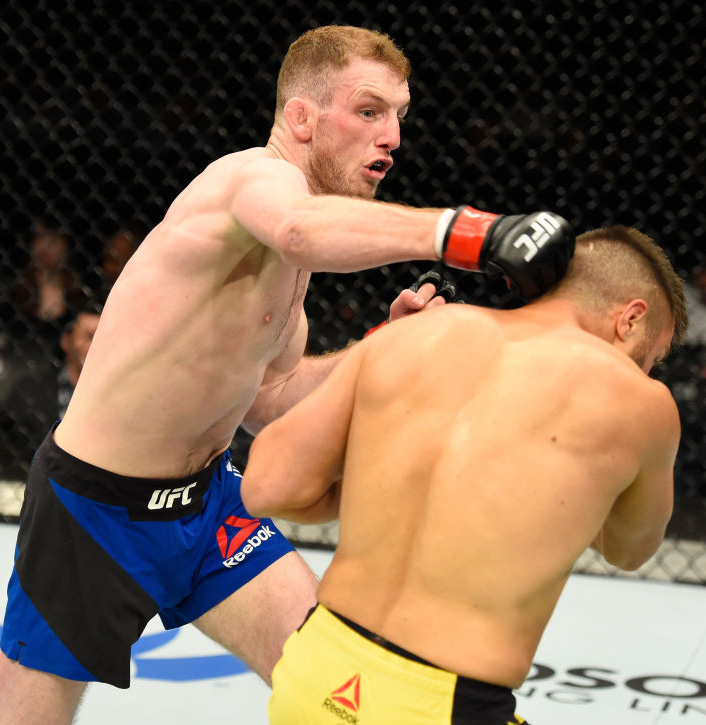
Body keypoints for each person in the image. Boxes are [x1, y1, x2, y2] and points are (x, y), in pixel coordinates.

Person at [0, 25, 573, 723]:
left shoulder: (287, 270)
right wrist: (470, 233)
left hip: (209, 507)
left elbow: (269, 399)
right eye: (368, 111)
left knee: (336, 685)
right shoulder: (252, 180)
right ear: (301, 117)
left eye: (399, 115)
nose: (391, 136)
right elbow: (303, 228)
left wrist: (382, 349)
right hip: (95, 513)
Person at [241, 225, 687, 725]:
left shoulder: (415, 335)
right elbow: (628, 550)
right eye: (652, 358)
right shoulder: (641, 403)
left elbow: (267, 486)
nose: (646, 373)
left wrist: (396, 477)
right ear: (630, 319)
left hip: (314, 669)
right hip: (440, 704)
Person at [57, 303, 102, 418]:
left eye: (102, 337)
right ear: (67, 341)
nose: (96, 345)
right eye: (90, 337)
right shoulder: (35, 390)